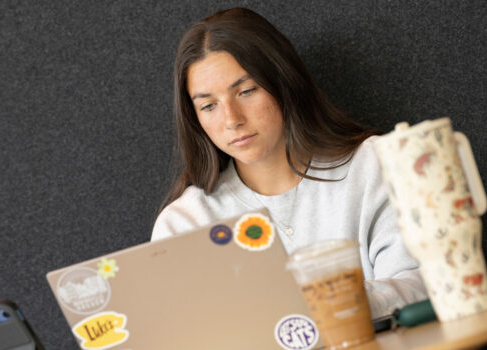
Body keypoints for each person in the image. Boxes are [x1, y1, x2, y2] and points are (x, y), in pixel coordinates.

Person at [151, 7, 427, 319]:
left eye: (246, 91)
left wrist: (322, 305)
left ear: (283, 82)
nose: (231, 120)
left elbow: (425, 285)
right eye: (209, 105)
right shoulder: (184, 224)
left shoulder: (376, 167)